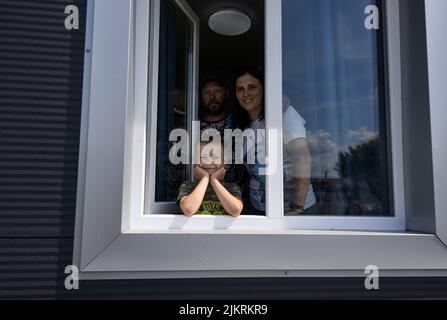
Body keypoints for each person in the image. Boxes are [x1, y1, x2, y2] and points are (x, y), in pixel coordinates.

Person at [234, 66, 317, 215]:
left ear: (264, 89)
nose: (246, 93)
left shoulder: (283, 114)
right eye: (240, 89)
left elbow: (303, 160)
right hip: (259, 209)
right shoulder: (243, 126)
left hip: (293, 209)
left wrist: (297, 207)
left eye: (252, 87)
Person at [199, 75, 246, 188]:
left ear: (226, 94)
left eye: (217, 91)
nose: (212, 96)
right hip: (202, 199)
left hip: (237, 199)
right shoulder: (193, 129)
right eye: (207, 92)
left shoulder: (241, 125)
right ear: (200, 97)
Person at [177, 141, 243, 217]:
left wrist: (214, 181)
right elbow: (188, 209)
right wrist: (205, 178)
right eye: (203, 157)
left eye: (215, 157)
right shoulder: (188, 186)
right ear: (195, 160)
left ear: (224, 161)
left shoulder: (231, 188)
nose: (209, 162)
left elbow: (235, 210)